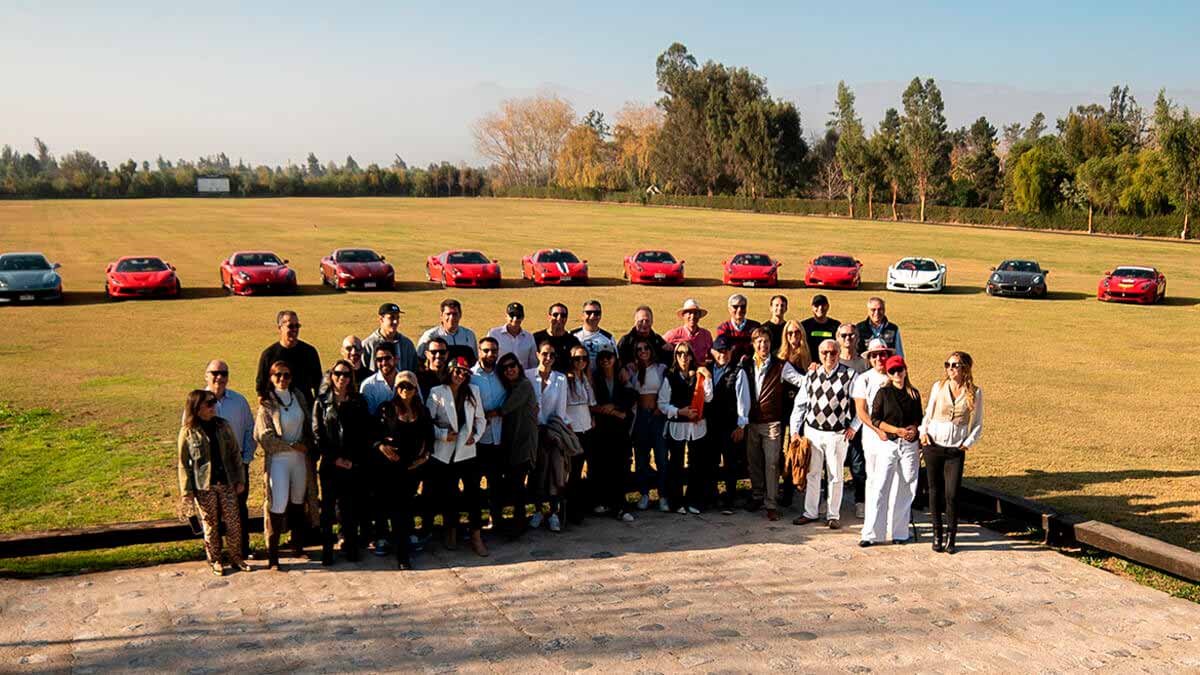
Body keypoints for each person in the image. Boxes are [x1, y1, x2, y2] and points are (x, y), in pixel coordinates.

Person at [790, 340, 861, 529]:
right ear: (819, 354)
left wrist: (854, 426)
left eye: (833, 353)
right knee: (812, 474)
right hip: (812, 432)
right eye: (824, 353)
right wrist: (795, 431)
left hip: (837, 434)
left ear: (839, 353)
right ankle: (810, 512)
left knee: (835, 476)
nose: (828, 356)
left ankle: (833, 515)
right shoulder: (811, 374)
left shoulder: (850, 375)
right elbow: (800, 404)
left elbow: (863, 404)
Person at [254, 361, 318, 570]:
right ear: (271, 378)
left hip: (300, 460)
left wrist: (306, 445)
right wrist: (291, 445)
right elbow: (264, 436)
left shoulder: (298, 396)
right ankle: (273, 556)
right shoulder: (266, 403)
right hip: (279, 459)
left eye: (287, 375)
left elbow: (309, 425)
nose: (282, 379)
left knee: (299, 502)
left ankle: (297, 546)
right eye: (278, 375)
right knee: (277, 503)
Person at [178, 389, 249, 576]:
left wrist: (240, 479)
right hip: (204, 486)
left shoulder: (223, 426)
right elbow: (183, 463)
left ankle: (236, 557)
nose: (213, 406)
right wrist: (187, 490)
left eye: (214, 402)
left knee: (234, 523)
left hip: (226, 482)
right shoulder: (188, 432)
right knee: (210, 525)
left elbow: (235, 453)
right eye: (208, 404)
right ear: (197, 407)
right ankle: (215, 559)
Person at [920, 352, 984, 554]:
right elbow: (928, 413)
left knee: (952, 494)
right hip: (934, 445)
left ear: (965, 368)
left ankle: (951, 535)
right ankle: (936, 533)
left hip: (955, 450)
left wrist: (967, 443)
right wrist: (924, 434)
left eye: (955, 365)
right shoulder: (938, 387)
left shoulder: (974, 391)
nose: (950, 368)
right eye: (948, 364)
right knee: (934, 491)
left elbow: (978, 422)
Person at [426, 356, 489, 556]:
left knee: (474, 494)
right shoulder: (437, 393)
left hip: (467, 452)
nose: (460, 376)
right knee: (449, 494)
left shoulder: (473, 392)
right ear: (450, 371)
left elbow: (481, 419)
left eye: (465, 372)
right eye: (457, 371)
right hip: (445, 453)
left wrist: (476, 436)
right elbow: (428, 422)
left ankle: (476, 535)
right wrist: (443, 435)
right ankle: (450, 530)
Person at [742, 328, 806, 521]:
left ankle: (771, 503)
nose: (763, 345)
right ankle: (757, 496)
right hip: (751, 421)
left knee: (771, 464)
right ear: (753, 344)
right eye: (759, 341)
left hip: (772, 423)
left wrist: (814, 373)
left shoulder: (781, 366)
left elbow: (801, 381)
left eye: (766, 341)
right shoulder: (746, 364)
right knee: (754, 462)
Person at [312, 360, 371, 566]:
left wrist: (353, 460)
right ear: (331, 376)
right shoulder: (321, 402)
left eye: (346, 374)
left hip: (352, 463)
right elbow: (317, 434)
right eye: (337, 374)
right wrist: (335, 458)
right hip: (330, 464)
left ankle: (350, 545)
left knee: (349, 507)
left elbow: (364, 432)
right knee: (328, 509)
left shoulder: (358, 401)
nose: (341, 378)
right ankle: (327, 549)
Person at [861, 355, 923, 547]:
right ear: (888, 374)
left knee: (906, 486)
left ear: (905, 370)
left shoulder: (914, 393)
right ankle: (872, 534)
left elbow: (918, 418)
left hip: (909, 445)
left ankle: (900, 532)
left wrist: (913, 429)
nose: (897, 374)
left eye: (900, 370)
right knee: (880, 486)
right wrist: (896, 430)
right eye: (892, 371)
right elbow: (876, 419)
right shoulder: (883, 393)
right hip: (889, 443)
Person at [374, 371, 432, 569]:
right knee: (397, 510)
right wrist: (381, 447)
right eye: (401, 387)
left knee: (406, 508)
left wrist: (423, 458)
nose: (404, 391)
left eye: (409, 387)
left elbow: (429, 438)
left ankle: (404, 544)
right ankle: (402, 555)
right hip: (391, 468)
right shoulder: (386, 409)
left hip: (413, 468)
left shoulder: (422, 412)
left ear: (416, 389)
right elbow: (373, 435)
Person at [200, 360, 256, 560]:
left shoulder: (239, 401)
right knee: (211, 514)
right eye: (214, 373)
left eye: (223, 373)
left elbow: (250, 429)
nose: (219, 377)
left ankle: (240, 550)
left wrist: (246, 459)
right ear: (206, 375)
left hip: (236, 464)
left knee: (239, 508)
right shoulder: (198, 401)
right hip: (209, 467)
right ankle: (215, 555)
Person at [658, 343, 713, 514]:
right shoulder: (670, 377)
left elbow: (709, 398)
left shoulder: (699, 375)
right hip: (678, 426)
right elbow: (662, 404)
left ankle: (694, 501)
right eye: (680, 353)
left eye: (687, 353)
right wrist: (679, 411)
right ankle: (676, 502)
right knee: (676, 465)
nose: (683, 357)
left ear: (691, 356)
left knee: (697, 464)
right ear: (676, 356)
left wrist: (708, 377)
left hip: (696, 427)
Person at [493, 352, 540, 537]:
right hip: (511, 442)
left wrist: (487, 414)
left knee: (518, 485)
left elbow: (505, 409)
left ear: (519, 367)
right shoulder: (510, 387)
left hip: (523, 443)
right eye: (505, 368)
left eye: (512, 365)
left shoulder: (524, 385)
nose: (510, 370)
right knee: (513, 484)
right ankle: (511, 521)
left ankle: (518, 524)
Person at [527, 341, 571, 531]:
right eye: (545, 354)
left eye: (552, 355)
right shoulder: (528, 376)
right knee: (536, 473)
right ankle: (537, 510)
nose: (548, 358)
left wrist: (554, 431)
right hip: (533, 432)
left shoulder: (560, 379)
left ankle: (553, 512)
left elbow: (560, 408)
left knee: (555, 472)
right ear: (537, 354)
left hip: (552, 431)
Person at [704, 335, 750, 512]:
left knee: (730, 463)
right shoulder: (707, 369)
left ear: (731, 352)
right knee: (711, 462)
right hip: (710, 425)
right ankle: (713, 496)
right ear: (713, 352)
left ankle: (729, 498)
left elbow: (743, 400)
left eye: (726, 351)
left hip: (729, 425)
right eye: (719, 351)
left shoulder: (738, 372)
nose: (722, 354)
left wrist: (741, 425)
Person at [590, 346, 636, 521]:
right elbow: (593, 403)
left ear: (615, 359)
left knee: (621, 466)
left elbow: (631, 397)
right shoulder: (595, 379)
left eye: (609, 357)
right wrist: (613, 410)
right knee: (602, 466)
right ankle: (604, 502)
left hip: (620, 430)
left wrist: (615, 407)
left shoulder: (622, 378)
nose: (605, 361)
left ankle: (621, 506)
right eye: (602, 358)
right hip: (602, 430)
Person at [853, 338, 894, 531]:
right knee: (873, 479)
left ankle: (889, 521)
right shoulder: (864, 379)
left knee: (892, 479)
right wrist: (879, 430)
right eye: (875, 355)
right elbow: (861, 411)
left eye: (882, 354)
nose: (879, 358)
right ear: (869, 358)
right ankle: (871, 522)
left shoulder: (895, 376)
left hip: (894, 438)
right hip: (872, 438)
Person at [625, 336, 668, 511]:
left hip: (657, 415)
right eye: (639, 349)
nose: (643, 352)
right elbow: (626, 387)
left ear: (651, 350)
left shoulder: (661, 368)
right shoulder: (632, 370)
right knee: (641, 458)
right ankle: (644, 494)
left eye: (646, 348)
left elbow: (667, 388)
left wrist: (661, 406)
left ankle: (663, 495)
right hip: (640, 416)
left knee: (661, 458)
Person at [470, 337, 507, 528]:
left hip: (499, 437)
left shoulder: (502, 374)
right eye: (486, 350)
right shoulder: (471, 376)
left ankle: (496, 519)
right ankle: (475, 523)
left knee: (496, 483)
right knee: (474, 485)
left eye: (493, 351)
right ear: (479, 351)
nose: (490, 354)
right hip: (478, 439)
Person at [776, 320, 813, 507]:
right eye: (789, 333)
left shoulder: (808, 356)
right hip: (782, 409)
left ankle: (797, 486)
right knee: (781, 451)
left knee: (799, 450)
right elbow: (802, 382)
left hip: (803, 411)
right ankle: (782, 489)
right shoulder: (781, 358)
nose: (793, 337)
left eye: (797, 333)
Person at [255, 310, 322, 403]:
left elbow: (318, 383)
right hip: (279, 407)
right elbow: (261, 386)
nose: (294, 329)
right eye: (290, 326)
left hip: (305, 406)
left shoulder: (309, 352)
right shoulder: (269, 355)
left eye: (297, 326)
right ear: (280, 328)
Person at [564, 345, 598, 523]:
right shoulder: (565, 380)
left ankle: (580, 506)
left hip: (586, 427)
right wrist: (568, 427)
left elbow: (589, 403)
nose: (581, 362)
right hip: (573, 430)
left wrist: (592, 418)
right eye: (577, 358)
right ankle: (569, 510)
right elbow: (562, 406)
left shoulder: (585, 378)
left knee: (584, 468)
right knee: (573, 471)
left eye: (584, 358)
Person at [417, 298, 479, 365]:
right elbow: (419, 361)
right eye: (448, 314)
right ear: (441, 315)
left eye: (455, 314)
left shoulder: (469, 335)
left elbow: (474, 361)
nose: (451, 317)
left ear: (460, 315)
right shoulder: (430, 335)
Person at [362, 303, 419, 374]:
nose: (395, 321)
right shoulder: (369, 344)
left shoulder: (406, 344)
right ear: (381, 319)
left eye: (397, 318)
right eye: (391, 318)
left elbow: (414, 370)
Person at [532, 302, 581, 373]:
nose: (559, 318)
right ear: (549, 317)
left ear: (566, 318)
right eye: (555, 315)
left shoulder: (573, 341)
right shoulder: (536, 338)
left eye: (563, 315)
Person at [487, 302, 537, 370]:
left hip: (522, 377)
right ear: (506, 316)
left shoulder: (529, 337)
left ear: (523, 317)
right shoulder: (494, 334)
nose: (515, 319)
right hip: (499, 376)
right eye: (512, 315)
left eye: (518, 316)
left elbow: (533, 364)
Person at [571, 299, 618, 370]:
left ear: (601, 315)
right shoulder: (573, 335)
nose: (592, 316)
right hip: (579, 378)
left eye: (597, 313)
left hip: (601, 378)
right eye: (588, 313)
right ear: (583, 315)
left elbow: (616, 361)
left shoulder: (608, 338)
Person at [715, 293, 761, 364]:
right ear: (729, 309)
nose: (739, 310)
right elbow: (723, 349)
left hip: (751, 363)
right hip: (729, 364)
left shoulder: (755, 326)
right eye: (735, 307)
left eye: (743, 307)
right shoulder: (723, 328)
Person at [663, 298, 713, 362]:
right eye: (689, 313)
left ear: (699, 316)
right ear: (684, 315)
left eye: (695, 313)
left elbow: (711, 355)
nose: (692, 316)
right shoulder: (673, 334)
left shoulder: (706, 335)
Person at [360, 345, 399, 415]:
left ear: (396, 359)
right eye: (379, 359)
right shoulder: (368, 386)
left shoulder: (408, 380)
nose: (384, 363)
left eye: (387, 358)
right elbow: (368, 415)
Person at [801, 295, 839, 364]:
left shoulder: (836, 325)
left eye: (823, 305)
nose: (820, 308)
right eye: (816, 306)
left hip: (830, 363)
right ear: (812, 307)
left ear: (828, 307)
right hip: (809, 364)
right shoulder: (804, 325)